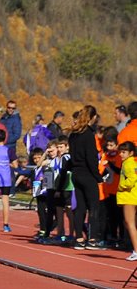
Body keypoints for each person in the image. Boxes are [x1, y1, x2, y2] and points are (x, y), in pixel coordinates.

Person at [66, 105, 104, 249]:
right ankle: (93, 238)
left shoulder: (74, 134)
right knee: (94, 207)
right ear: (93, 118)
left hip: (76, 173)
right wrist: (98, 176)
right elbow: (91, 158)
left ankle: (79, 238)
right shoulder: (88, 134)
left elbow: (72, 155)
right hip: (87, 174)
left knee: (80, 207)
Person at [116, 141, 137, 261]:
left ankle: (136, 250)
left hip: (129, 196)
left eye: (124, 152)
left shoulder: (128, 164)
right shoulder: (131, 163)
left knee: (130, 224)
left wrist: (121, 186)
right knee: (130, 223)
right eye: (120, 152)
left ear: (131, 153)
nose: (121, 154)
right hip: (132, 196)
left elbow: (132, 179)